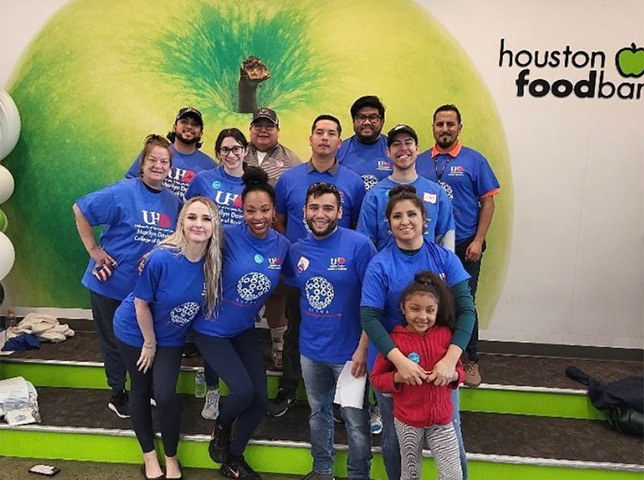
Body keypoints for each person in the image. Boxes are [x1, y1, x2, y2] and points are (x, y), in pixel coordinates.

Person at [361, 185, 476, 480]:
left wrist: (451, 360)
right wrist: (399, 362)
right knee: (395, 440)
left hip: (441, 366)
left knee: (453, 439)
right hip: (394, 364)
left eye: (412, 213)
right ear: (389, 224)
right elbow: (369, 317)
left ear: (425, 218)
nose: (405, 221)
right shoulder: (380, 264)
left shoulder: (445, 259)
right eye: (397, 216)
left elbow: (467, 311)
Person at [113, 197, 223, 480]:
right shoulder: (162, 257)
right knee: (139, 388)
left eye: (206, 218)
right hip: (135, 330)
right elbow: (140, 304)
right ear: (182, 222)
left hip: (171, 337)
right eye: (192, 217)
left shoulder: (214, 264)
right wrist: (149, 344)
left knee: (165, 396)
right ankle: (149, 456)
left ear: (215, 226)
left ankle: (171, 458)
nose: (199, 224)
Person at [73, 134, 182, 419]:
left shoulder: (173, 202)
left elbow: (176, 238)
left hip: (146, 292)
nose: (158, 166)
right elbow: (80, 209)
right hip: (111, 284)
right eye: (152, 160)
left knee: (145, 341)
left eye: (164, 161)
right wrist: (94, 249)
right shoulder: (122, 191)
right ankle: (118, 393)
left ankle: (144, 390)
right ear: (142, 164)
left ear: (170, 167)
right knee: (114, 342)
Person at [192, 167, 291, 480]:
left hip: (243, 328)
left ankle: (233, 458)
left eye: (264, 210)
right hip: (211, 329)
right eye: (250, 210)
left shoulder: (281, 246)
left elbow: (291, 278)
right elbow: (188, 248)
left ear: (274, 211)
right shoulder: (225, 237)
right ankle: (221, 425)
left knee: (260, 400)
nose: (258, 216)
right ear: (241, 210)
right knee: (243, 391)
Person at [268, 115, 365, 418]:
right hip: (302, 272)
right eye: (319, 132)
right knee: (296, 329)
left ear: (340, 141)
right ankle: (289, 388)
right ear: (310, 139)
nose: (324, 138)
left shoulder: (353, 182)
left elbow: (356, 226)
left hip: (340, 277)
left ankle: (340, 399)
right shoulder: (289, 179)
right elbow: (280, 221)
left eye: (331, 133)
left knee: (343, 332)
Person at [288, 182, 375, 480]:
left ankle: (358, 475)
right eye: (314, 207)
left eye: (327, 208)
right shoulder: (296, 250)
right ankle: (322, 470)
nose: (320, 214)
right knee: (317, 413)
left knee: (354, 420)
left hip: (351, 355)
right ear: (305, 211)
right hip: (311, 351)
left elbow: (373, 303)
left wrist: (363, 348)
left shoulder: (359, 245)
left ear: (340, 211)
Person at [416, 104, 500, 387]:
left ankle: (470, 360)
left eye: (450, 124)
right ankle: (431, 355)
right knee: (428, 303)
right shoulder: (420, 161)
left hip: (465, 245)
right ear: (433, 128)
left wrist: (477, 240)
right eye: (439, 124)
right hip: (431, 245)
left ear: (459, 127)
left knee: (465, 304)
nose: (445, 129)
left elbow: (488, 202)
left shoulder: (475, 161)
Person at [371, 271, 465, 480]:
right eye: (415, 309)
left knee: (453, 475)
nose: (423, 317)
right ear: (403, 309)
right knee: (411, 472)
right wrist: (398, 378)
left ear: (437, 311)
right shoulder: (394, 340)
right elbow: (377, 378)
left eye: (430, 310)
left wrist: (452, 375)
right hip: (408, 421)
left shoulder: (445, 335)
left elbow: (460, 371)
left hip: (442, 421)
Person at [186, 127, 247, 420]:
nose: (231, 154)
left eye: (236, 148)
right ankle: (212, 389)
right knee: (209, 324)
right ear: (218, 153)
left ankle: (234, 383)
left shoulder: (254, 182)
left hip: (241, 265)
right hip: (207, 263)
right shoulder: (204, 179)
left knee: (230, 327)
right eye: (225, 149)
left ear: (245, 151)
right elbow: (187, 216)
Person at [244, 107, 302, 369]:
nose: (263, 130)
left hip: (273, 235)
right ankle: (235, 341)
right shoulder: (236, 152)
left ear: (277, 130)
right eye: (258, 125)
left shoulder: (291, 160)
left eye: (269, 125)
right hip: (238, 236)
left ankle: (278, 343)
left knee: (277, 290)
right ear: (251, 129)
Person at [358, 124, 455, 252]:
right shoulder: (374, 196)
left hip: (427, 270)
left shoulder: (437, 193)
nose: (403, 148)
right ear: (388, 152)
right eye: (396, 144)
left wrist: (446, 270)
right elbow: (366, 242)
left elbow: (446, 239)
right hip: (388, 271)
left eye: (408, 143)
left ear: (417, 149)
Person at [125, 107, 216, 200]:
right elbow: (131, 182)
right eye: (184, 122)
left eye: (195, 124)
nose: (189, 127)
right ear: (174, 127)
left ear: (201, 133)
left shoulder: (210, 166)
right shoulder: (154, 152)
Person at [338, 95, 391, 192]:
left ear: (382, 121)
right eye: (361, 117)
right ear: (353, 121)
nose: (367, 122)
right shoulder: (339, 150)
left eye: (373, 117)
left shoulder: (393, 149)